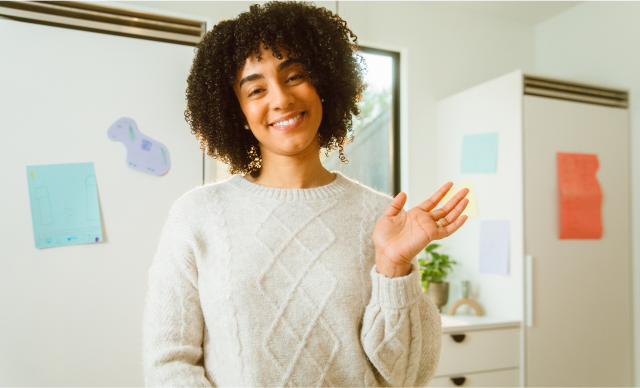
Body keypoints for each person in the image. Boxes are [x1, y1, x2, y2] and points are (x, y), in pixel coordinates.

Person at [142, 1, 469, 387]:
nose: (280, 99)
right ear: (238, 113)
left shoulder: (381, 218)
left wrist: (392, 267)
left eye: (294, 75)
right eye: (256, 89)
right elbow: (168, 363)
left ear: (324, 84)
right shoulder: (197, 215)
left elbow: (407, 375)